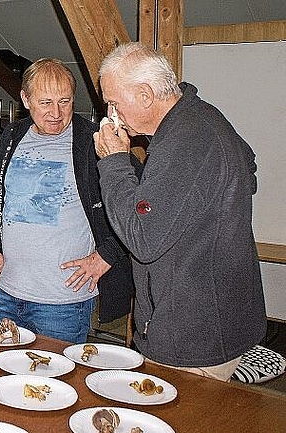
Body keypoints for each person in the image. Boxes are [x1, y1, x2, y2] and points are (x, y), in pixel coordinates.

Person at [93, 42, 266, 380]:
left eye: (113, 102)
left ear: (145, 95)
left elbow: (142, 239)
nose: (111, 113)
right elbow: (248, 166)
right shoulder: (199, 117)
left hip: (193, 341)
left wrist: (114, 163)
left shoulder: (185, 140)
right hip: (206, 324)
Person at [0, 58, 136, 344]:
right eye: (46, 103)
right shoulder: (12, 135)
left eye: (65, 101)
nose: (56, 113)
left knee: (53, 386)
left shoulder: (94, 140)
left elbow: (140, 205)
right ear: (25, 99)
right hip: (7, 294)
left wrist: (107, 255)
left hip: (63, 304)